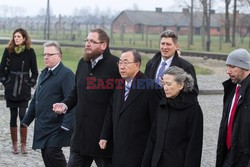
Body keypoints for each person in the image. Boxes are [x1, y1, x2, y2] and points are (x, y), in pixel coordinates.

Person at [53, 28, 120, 167]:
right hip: (80, 137)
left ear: (104, 45)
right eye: (87, 40)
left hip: (103, 138)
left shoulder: (116, 66)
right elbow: (76, 91)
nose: (87, 44)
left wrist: (108, 133)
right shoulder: (82, 63)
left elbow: (118, 101)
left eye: (92, 41)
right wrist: (65, 105)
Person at [99, 49, 161, 167]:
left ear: (137, 65)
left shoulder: (151, 88)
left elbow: (156, 123)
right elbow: (111, 112)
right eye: (120, 63)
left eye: (126, 63)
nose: (122, 66)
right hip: (119, 150)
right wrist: (104, 135)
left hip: (140, 153)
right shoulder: (119, 85)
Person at [21, 41, 75, 167]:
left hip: (57, 125)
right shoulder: (44, 73)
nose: (46, 57)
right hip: (43, 123)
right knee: (46, 154)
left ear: (59, 56)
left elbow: (73, 100)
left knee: (52, 152)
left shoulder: (66, 74)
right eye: (44, 54)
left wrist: (67, 125)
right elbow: (36, 99)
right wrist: (27, 119)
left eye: (50, 54)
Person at [141, 66, 203, 167]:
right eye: (163, 84)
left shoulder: (193, 109)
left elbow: (194, 146)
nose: (165, 88)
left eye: (169, 84)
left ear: (181, 85)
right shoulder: (163, 104)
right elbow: (153, 137)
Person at [0, 28, 38, 154]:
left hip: (24, 88)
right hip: (11, 88)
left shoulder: (30, 52)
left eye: (19, 37)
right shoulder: (8, 51)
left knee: (23, 115)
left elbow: (35, 72)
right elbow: (1, 70)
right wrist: (6, 82)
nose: (16, 38)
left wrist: (30, 83)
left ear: (24, 38)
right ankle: (15, 144)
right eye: (15, 36)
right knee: (13, 115)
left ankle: (23, 144)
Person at [216, 48, 250, 167]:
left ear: (245, 67)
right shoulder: (231, 88)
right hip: (229, 154)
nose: (228, 71)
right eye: (227, 66)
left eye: (232, 66)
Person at [144, 29, 198, 95]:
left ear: (176, 46)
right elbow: (145, 87)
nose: (165, 47)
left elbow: (192, 92)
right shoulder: (150, 64)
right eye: (163, 44)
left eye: (168, 44)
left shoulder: (186, 67)